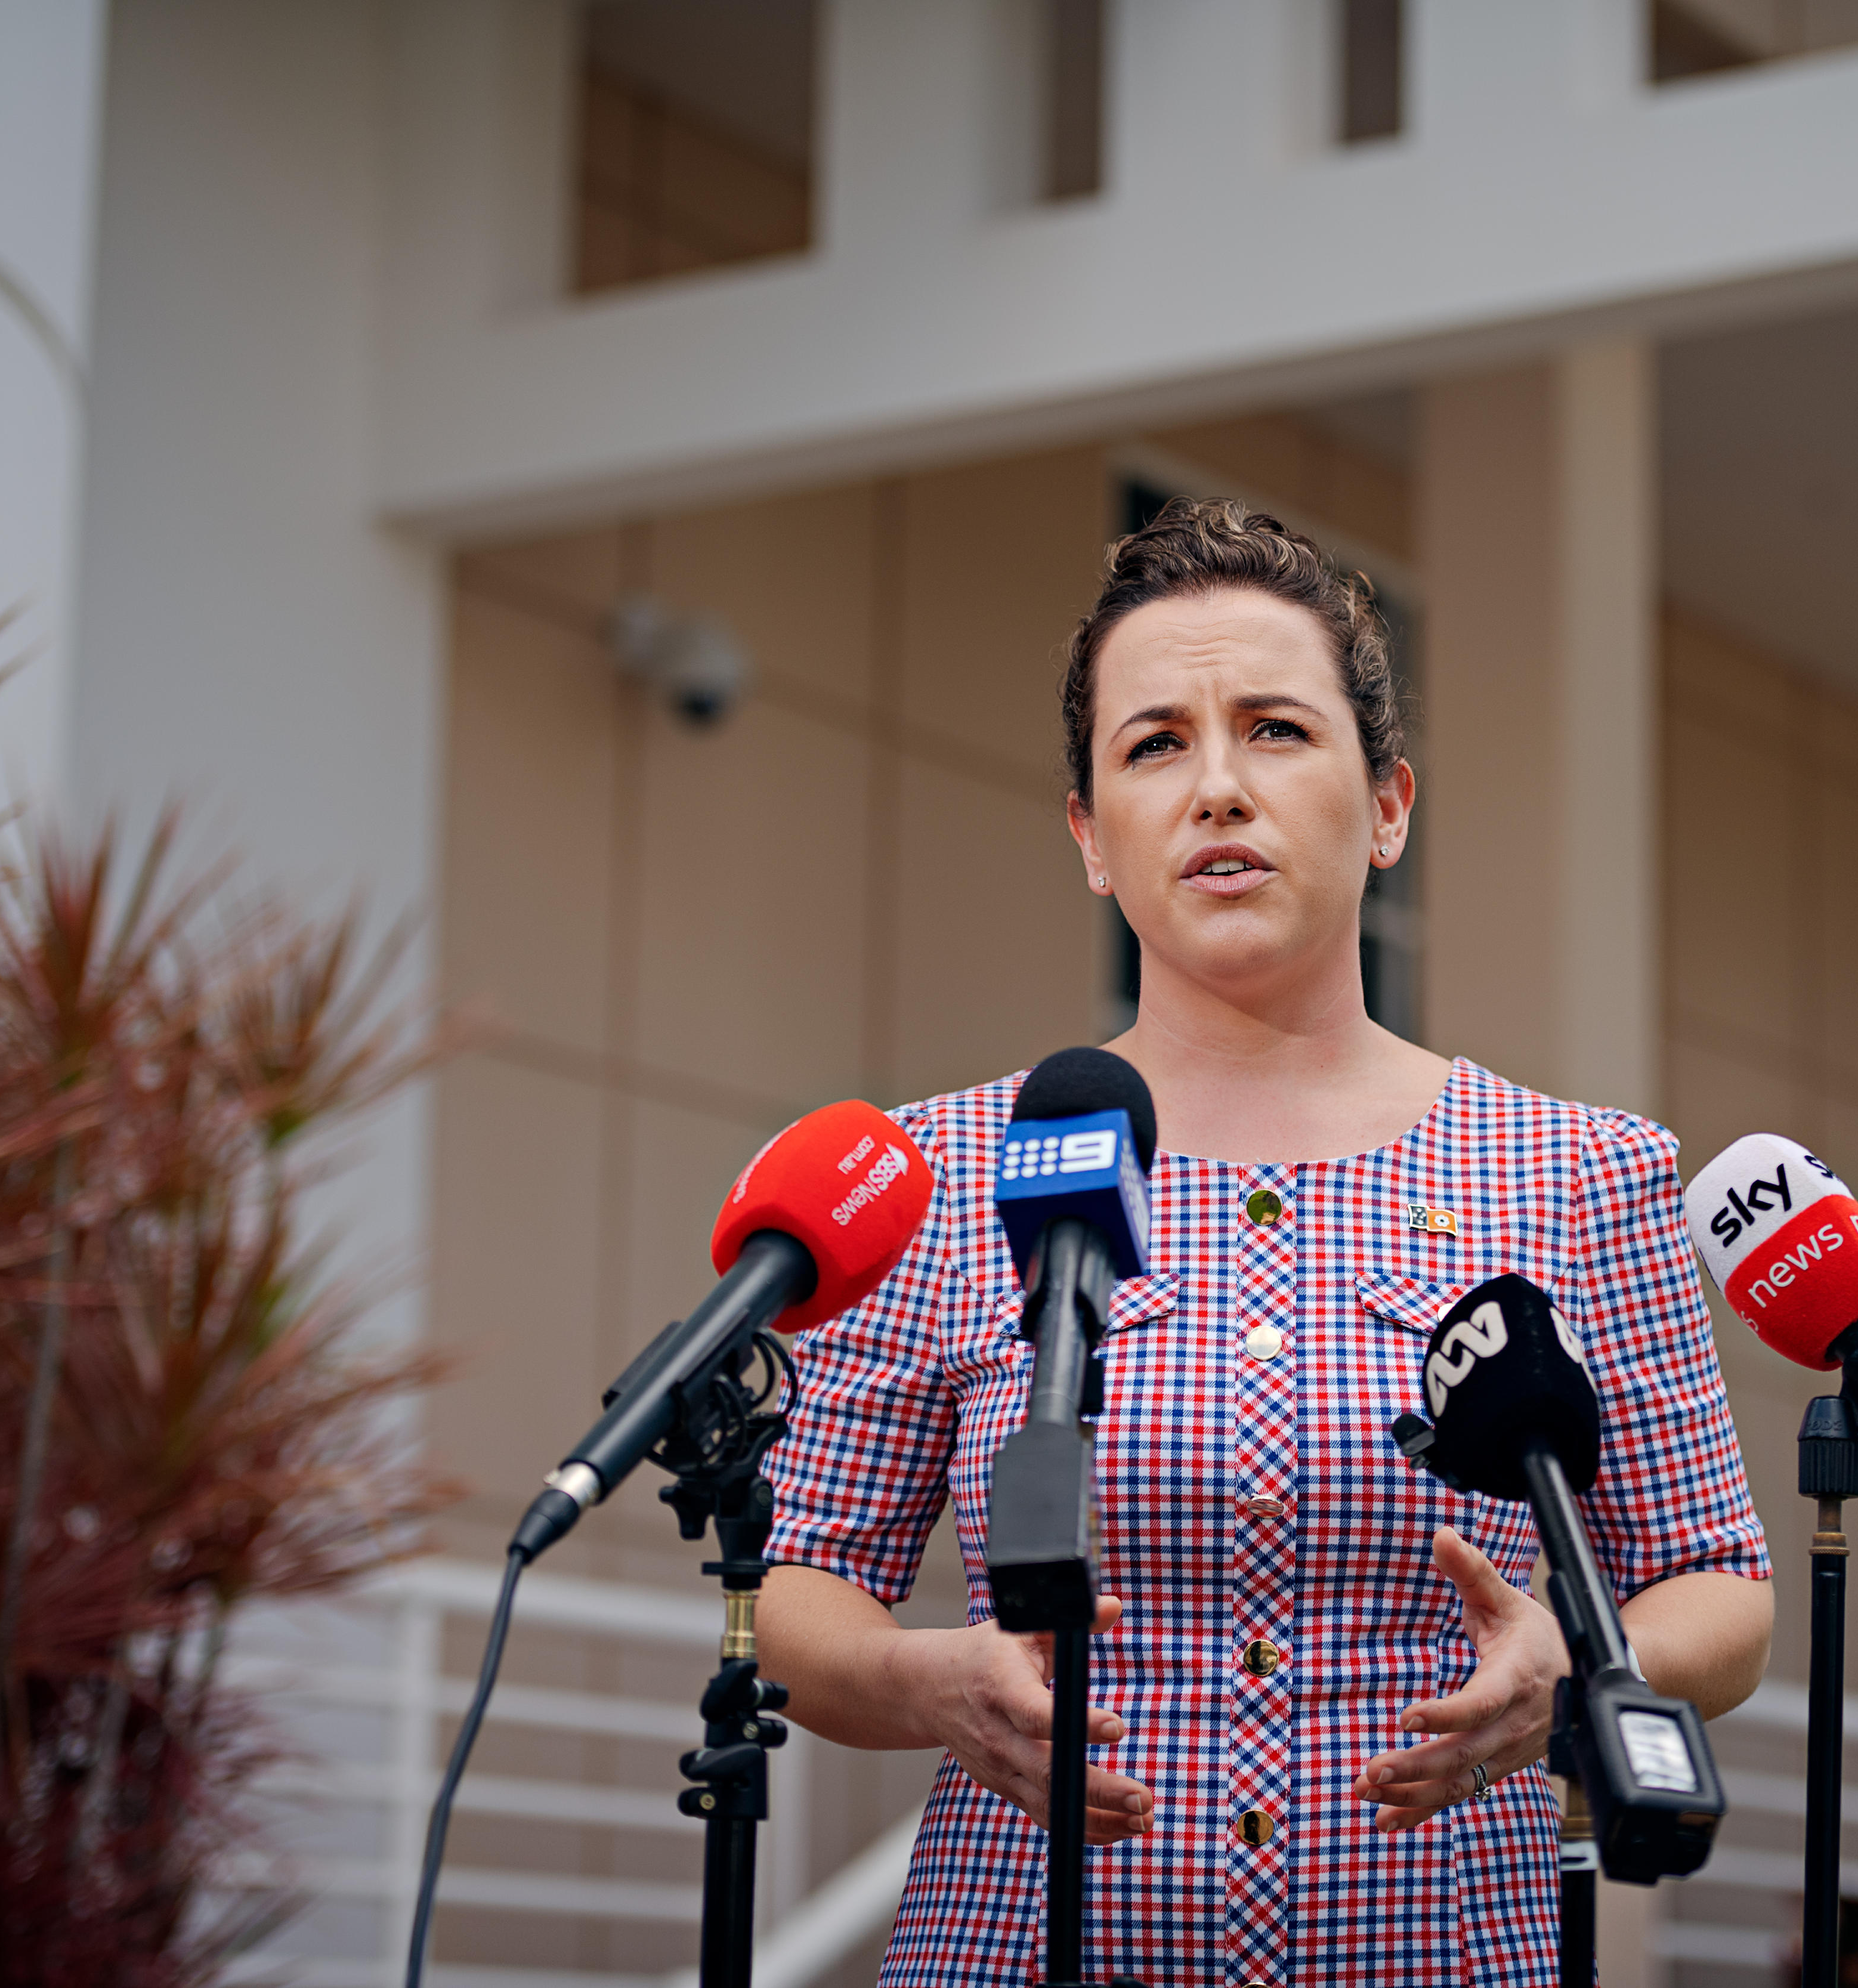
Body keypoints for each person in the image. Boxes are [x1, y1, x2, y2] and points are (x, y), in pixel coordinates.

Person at [759, 497, 1775, 1985]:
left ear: (1388, 807)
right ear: (1090, 836)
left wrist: (1577, 1657)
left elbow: (1720, 1588)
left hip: (1443, 1953)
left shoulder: (1576, 1170)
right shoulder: (946, 1170)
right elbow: (799, 1579)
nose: (1217, 787)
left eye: (1278, 731)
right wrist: (926, 1678)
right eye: (1154, 743)